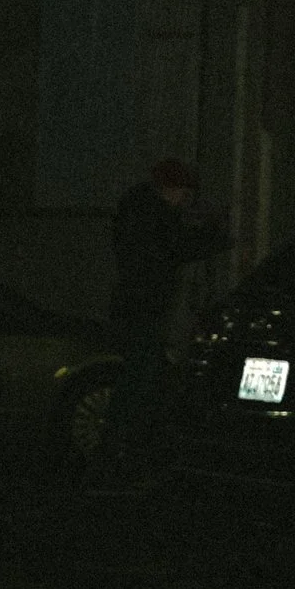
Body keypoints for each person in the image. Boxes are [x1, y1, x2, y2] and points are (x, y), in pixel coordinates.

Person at [105, 158, 223, 474]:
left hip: (138, 308)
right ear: (170, 190)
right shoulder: (153, 216)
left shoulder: (138, 211)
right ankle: (121, 453)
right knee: (140, 382)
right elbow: (178, 247)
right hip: (144, 309)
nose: (185, 203)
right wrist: (213, 236)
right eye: (184, 195)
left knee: (143, 379)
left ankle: (123, 452)